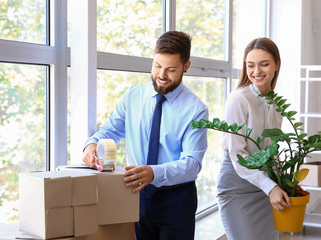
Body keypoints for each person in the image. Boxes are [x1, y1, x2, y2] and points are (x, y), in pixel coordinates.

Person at [82, 31, 208, 240]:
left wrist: (154, 173)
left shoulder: (196, 110)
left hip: (176, 199)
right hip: (136, 195)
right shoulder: (133, 96)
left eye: (171, 69)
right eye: (157, 66)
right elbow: (111, 130)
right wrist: (92, 143)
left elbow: (192, 163)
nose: (162, 75)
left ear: (186, 66)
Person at [217, 37, 290, 240]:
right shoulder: (238, 99)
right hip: (237, 187)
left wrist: (283, 183)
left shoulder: (277, 104)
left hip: (266, 186)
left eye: (264, 64)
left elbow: (270, 151)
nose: (256, 71)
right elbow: (237, 154)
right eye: (251, 65)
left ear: (276, 65)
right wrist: (271, 186)